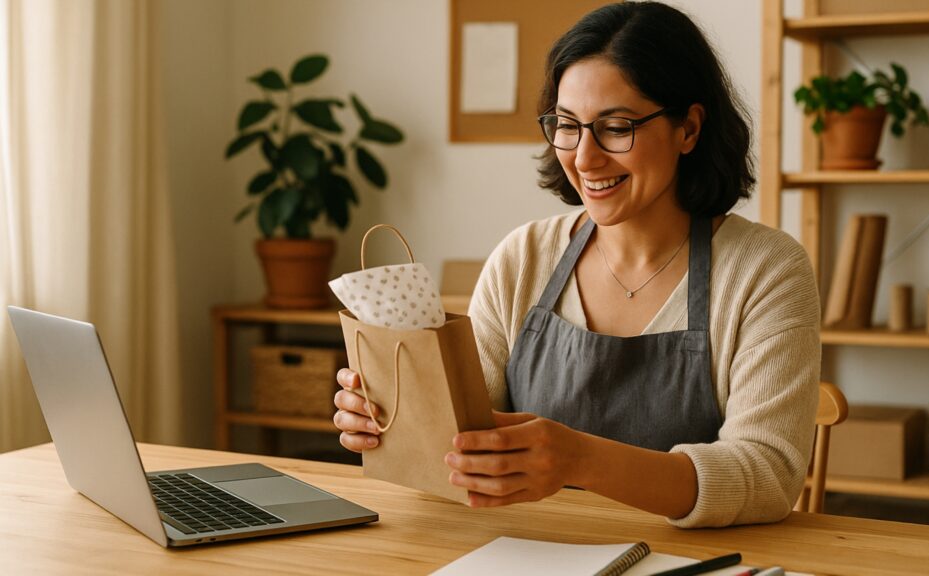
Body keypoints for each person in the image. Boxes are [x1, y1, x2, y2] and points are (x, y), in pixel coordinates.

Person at [333, 1, 820, 528]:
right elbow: (463, 436)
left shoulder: (766, 272)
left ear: (689, 129)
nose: (584, 158)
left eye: (616, 127)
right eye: (568, 125)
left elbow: (768, 476)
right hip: (527, 551)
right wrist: (399, 418)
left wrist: (581, 460)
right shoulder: (523, 258)